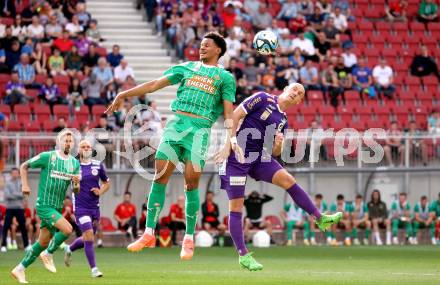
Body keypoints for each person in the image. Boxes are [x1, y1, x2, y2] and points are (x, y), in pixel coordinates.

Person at [105, 32, 236, 261]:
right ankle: (148, 233)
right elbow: (155, 84)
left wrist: (228, 143)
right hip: (176, 125)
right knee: (160, 175)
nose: (202, 48)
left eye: (207, 46)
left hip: (200, 130)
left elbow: (228, 114)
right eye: (201, 45)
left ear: (218, 50)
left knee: (191, 181)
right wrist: (124, 93)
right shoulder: (185, 68)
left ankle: (188, 238)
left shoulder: (225, 78)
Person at [216, 83, 342, 270]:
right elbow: (235, 115)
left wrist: (278, 144)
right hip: (237, 156)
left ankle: (319, 217)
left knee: (289, 180)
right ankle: (243, 254)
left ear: (299, 101)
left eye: (299, 94)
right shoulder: (262, 98)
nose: (296, 93)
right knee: (236, 207)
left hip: (258, 156)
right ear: (285, 89)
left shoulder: (283, 121)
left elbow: (274, 152)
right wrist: (231, 142)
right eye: (294, 89)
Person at [10, 130, 80, 283]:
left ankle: (19, 269)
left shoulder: (75, 163)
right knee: (68, 229)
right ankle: (48, 254)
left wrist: (76, 182)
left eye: (70, 141)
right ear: (58, 141)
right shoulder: (47, 156)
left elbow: (75, 190)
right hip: (44, 205)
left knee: (42, 242)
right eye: (65, 140)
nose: (68, 143)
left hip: (56, 207)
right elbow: (24, 166)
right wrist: (25, 185)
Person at [50, 140, 110, 277]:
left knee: (87, 238)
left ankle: (69, 249)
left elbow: (107, 183)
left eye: (88, 146)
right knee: (89, 235)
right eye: (83, 146)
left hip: (95, 207)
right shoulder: (73, 166)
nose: (87, 148)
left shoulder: (98, 165)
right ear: (79, 150)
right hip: (81, 207)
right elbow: (66, 183)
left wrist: (100, 191)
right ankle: (94, 270)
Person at [1, 168, 29, 252]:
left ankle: (26, 245)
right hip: (9, 208)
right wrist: (18, 194)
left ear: (19, 174)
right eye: (13, 173)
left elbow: (24, 194)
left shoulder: (22, 183)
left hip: (19, 208)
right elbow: (7, 196)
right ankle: (3, 245)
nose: (15, 174)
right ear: (11, 174)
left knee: (23, 226)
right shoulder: (7, 184)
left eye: (17, 173)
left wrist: (14, 194)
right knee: (6, 227)